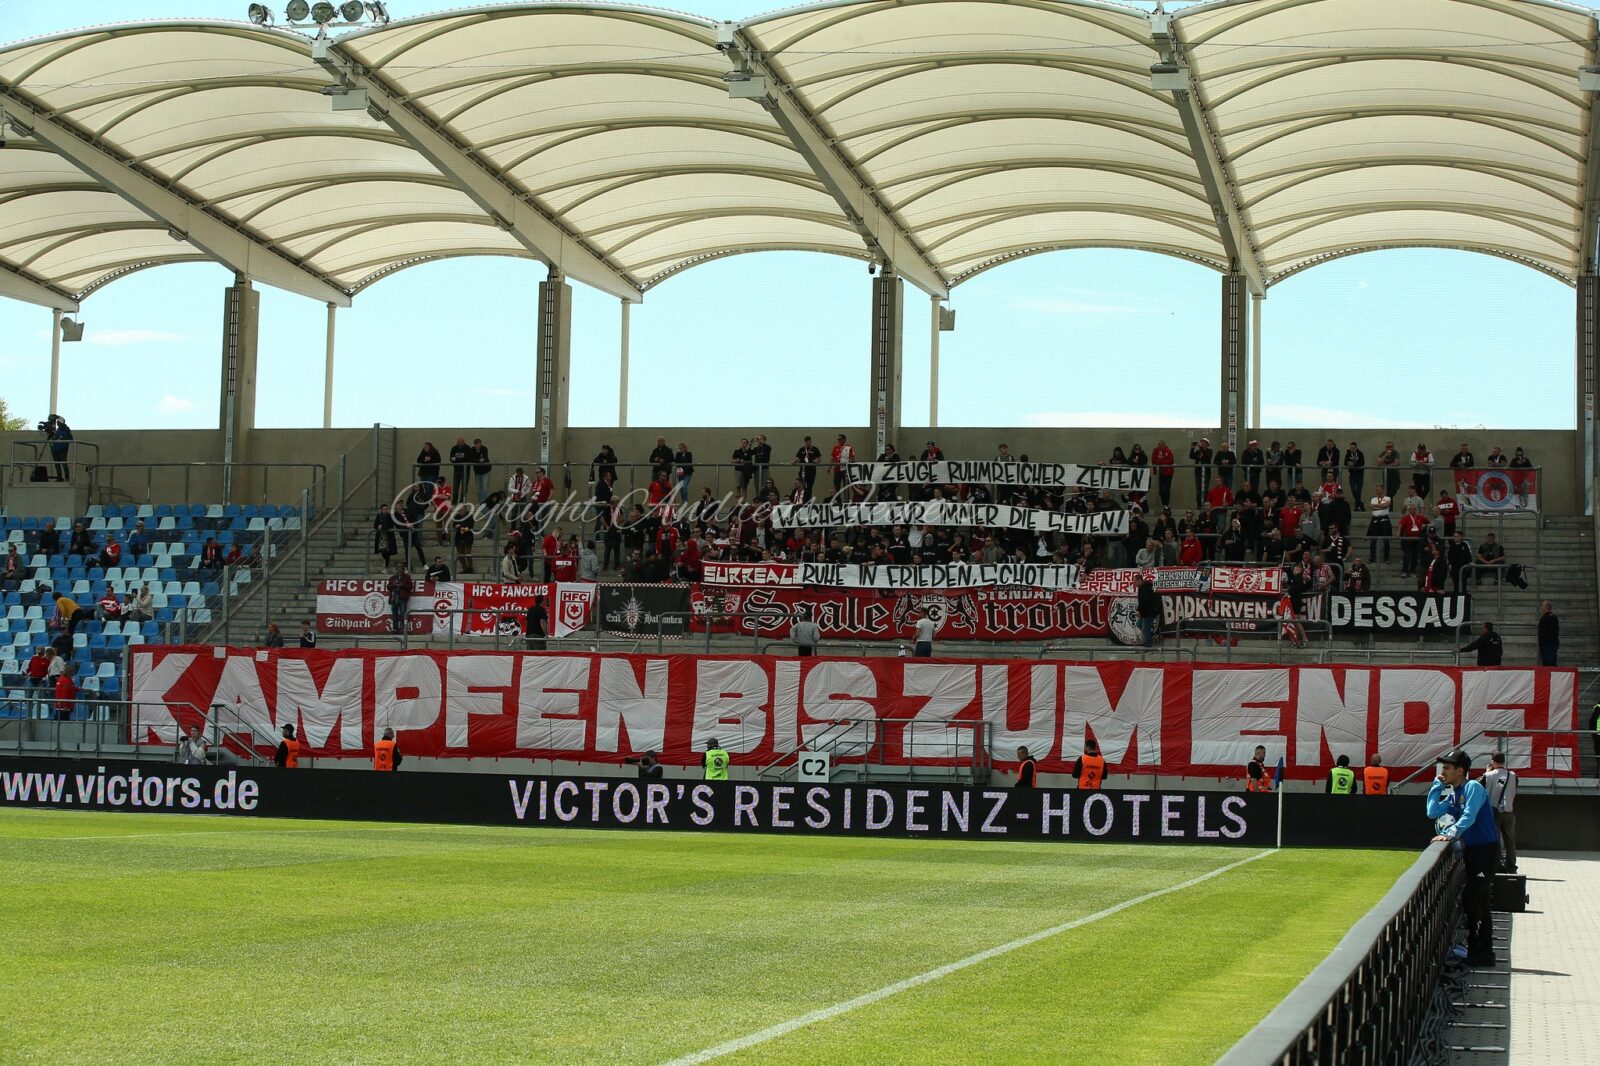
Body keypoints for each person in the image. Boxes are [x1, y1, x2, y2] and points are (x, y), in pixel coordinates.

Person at [1429, 748, 1500, 966]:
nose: (1443, 772)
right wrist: (1436, 786)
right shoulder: (1454, 792)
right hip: (1474, 853)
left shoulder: (1472, 787)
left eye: (1447, 768)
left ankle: (1480, 950)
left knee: (1472, 900)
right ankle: (1482, 952)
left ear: (1460, 771)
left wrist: (1449, 833)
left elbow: (1469, 816)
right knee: (1478, 901)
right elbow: (1432, 812)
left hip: (1485, 854)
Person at [1483, 752, 1517, 873]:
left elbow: (1486, 789)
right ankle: (1512, 867)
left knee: (1495, 841)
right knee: (1510, 842)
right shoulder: (1512, 775)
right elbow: (1503, 787)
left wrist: (1487, 772)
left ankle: (1496, 866)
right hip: (1509, 812)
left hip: (1494, 812)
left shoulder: (1487, 775)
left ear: (1492, 761)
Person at [388, 565, 414, 636]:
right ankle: (395, 629)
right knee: (394, 614)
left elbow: (410, 587)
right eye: (398, 569)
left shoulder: (407, 577)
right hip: (394, 598)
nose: (399, 571)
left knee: (403, 614)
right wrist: (394, 584)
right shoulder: (392, 578)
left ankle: (404, 629)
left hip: (402, 598)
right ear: (396, 570)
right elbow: (388, 587)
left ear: (403, 570)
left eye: (401, 569)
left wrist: (402, 585)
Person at [1136, 575, 1160, 648]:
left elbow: (1144, 601)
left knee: (1145, 630)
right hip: (1147, 612)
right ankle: (1153, 635)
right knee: (1139, 624)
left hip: (1148, 612)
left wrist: (1139, 611)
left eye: (1135, 581)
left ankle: (1147, 647)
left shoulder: (1144, 589)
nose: (1134, 583)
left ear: (1139, 580)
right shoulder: (1144, 588)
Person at [1537, 601, 1559, 667]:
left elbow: (1543, 632)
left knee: (1548, 665)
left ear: (1546, 607)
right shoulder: (1554, 617)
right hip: (1553, 644)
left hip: (1547, 646)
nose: (1541, 607)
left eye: (1542, 605)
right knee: (1552, 663)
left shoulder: (1544, 619)